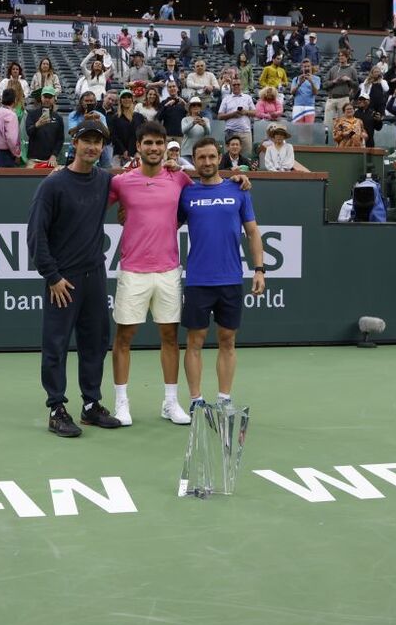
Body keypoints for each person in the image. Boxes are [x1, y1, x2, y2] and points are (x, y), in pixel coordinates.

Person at [27, 119, 121, 437]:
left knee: (95, 343)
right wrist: (52, 276)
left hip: (95, 275)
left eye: (98, 142)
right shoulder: (52, 185)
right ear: (74, 142)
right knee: (56, 345)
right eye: (87, 141)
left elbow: (143, 180)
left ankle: (91, 406)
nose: (93, 146)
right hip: (62, 281)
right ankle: (56, 408)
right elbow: (35, 235)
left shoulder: (106, 180)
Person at [107, 121, 195, 426]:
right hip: (133, 271)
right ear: (138, 147)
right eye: (148, 143)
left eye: (159, 143)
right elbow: (90, 202)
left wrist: (239, 179)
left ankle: (170, 403)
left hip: (169, 270)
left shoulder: (179, 178)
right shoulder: (122, 182)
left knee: (170, 336)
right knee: (124, 337)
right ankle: (121, 403)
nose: (154, 148)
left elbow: (203, 198)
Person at [180, 137, 264, 416]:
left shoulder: (239, 189)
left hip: (230, 279)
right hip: (197, 280)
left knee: (228, 339)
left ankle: (224, 398)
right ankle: (195, 400)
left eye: (211, 157)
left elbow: (252, 232)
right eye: (201, 158)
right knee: (195, 341)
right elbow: (162, 222)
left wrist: (259, 270)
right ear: (194, 160)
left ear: (220, 158)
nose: (207, 162)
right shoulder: (187, 193)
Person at [24, 86, 63, 168]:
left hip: (51, 160)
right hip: (33, 160)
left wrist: (54, 155)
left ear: (54, 99)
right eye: (45, 97)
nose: (47, 99)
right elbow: (29, 132)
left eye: (50, 97)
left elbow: (60, 139)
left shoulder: (58, 118)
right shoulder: (32, 114)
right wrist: (36, 125)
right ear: (41, 97)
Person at [217, 77, 256, 153]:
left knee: (247, 157)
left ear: (241, 85)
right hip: (231, 132)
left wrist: (245, 112)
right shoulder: (226, 99)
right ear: (231, 86)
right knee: (230, 158)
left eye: (238, 84)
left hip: (245, 132)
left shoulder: (248, 98)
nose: (236, 86)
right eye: (234, 84)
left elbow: (255, 113)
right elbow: (219, 116)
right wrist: (233, 114)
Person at [110, 89, 146, 167]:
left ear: (132, 99)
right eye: (124, 97)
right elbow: (114, 136)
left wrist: (138, 151)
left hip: (136, 155)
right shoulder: (115, 118)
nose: (126, 99)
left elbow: (142, 136)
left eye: (129, 97)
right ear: (120, 100)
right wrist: (123, 151)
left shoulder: (139, 117)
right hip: (119, 155)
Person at [325, 51, 358, 126]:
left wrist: (348, 80)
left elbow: (356, 85)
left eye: (343, 55)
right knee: (328, 123)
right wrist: (334, 81)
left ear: (347, 57)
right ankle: (328, 137)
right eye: (339, 56)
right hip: (331, 98)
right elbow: (324, 84)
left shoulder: (352, 70)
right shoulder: (333, 69)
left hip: (344, 98)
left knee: (343, 123)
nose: (341, 57)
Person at [289, 59, 320, 124]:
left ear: (311, 67)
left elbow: (316, 92)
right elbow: (292, 92)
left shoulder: (317, 78)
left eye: (308, 66)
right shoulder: (296, 79)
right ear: (302, 68)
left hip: (310, 106)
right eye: (305, 67)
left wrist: (311, 81)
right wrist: (299, 83)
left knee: (308, 129)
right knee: (297, 128)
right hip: (298, 106)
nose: (307, 68)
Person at [180, 97, 210, 161]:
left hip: (200, 152)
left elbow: (208, 133)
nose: (196, 106)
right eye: (193, 105)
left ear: (200, 108)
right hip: (186, 152)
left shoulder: (205, 120)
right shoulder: (185, 119)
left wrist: (204, 125)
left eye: (198, 105)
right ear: (190, 108)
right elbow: (183, 131)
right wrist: (193, 123)